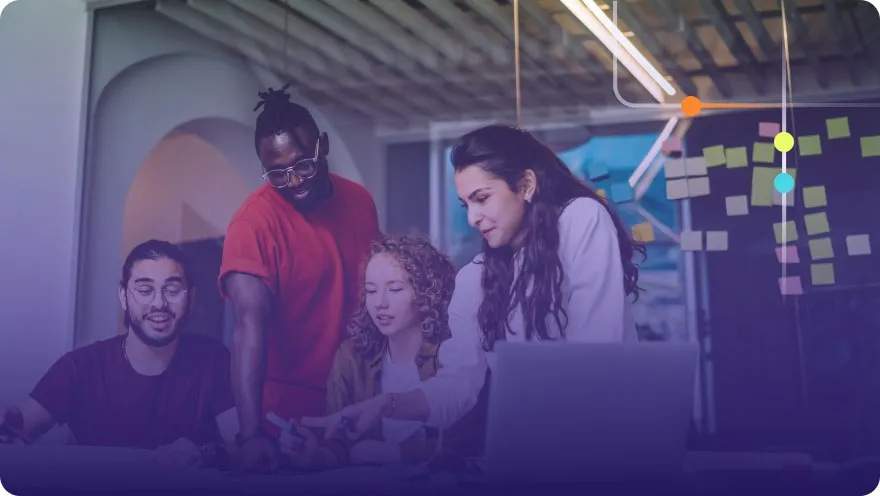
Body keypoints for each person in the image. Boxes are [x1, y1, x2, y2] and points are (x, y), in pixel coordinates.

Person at [313, 124, 644, 444]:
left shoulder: (580, 219)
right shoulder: (476, 277)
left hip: (600, 438)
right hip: (534, 449)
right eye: (466, 204)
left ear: (526, 185)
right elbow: (458, 386)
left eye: (482, 198)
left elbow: (599, 349)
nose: (472, 218)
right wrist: (386, 405)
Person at [219, 84, 381, 472]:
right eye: (277, 174)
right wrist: (251, 435)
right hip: (284, 418)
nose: (294, 181)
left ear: (322, 147)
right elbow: (247, 328)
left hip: (356, 402)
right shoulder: (253, 224)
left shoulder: (359, 200)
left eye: (303, 165)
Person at [0, 240, 238, 469]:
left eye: (173, 290)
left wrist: (206, 453)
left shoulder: (212, 360)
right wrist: (8, 426)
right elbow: (19, 428)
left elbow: (246, 448)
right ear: (124, 297)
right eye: (145, 290)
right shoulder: (80, 367)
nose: (159, 303)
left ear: (192, 297)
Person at [277, 235, 469, 469]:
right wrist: (316, 455)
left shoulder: (454, 355)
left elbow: (465, 441)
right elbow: (339, 440)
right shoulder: (351, 357)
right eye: (371, 290)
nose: (380, 303)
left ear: (427, 295)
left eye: (395, 289)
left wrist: (397, 453)